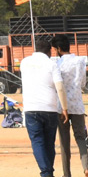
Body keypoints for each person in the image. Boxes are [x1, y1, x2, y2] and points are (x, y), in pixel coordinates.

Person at [21, 36, 69, 177]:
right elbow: (59, 87)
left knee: (37, 141)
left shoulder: (24, 62)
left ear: (35, 50)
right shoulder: (51, 64)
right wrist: (64, 108)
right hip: (49, 108)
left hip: (31, 108)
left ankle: (46, 172)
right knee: (49, 143)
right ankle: (48, 171)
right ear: (49, 52)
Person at [52, 34, 86, 177]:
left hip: (61, 107)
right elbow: (83, 83)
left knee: (64, 141)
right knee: (81, 137)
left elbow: (56, 85)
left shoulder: (56, 64)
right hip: (77, 105)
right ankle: (86, 166)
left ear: (59, 49)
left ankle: (67, 174)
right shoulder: (80, 61)